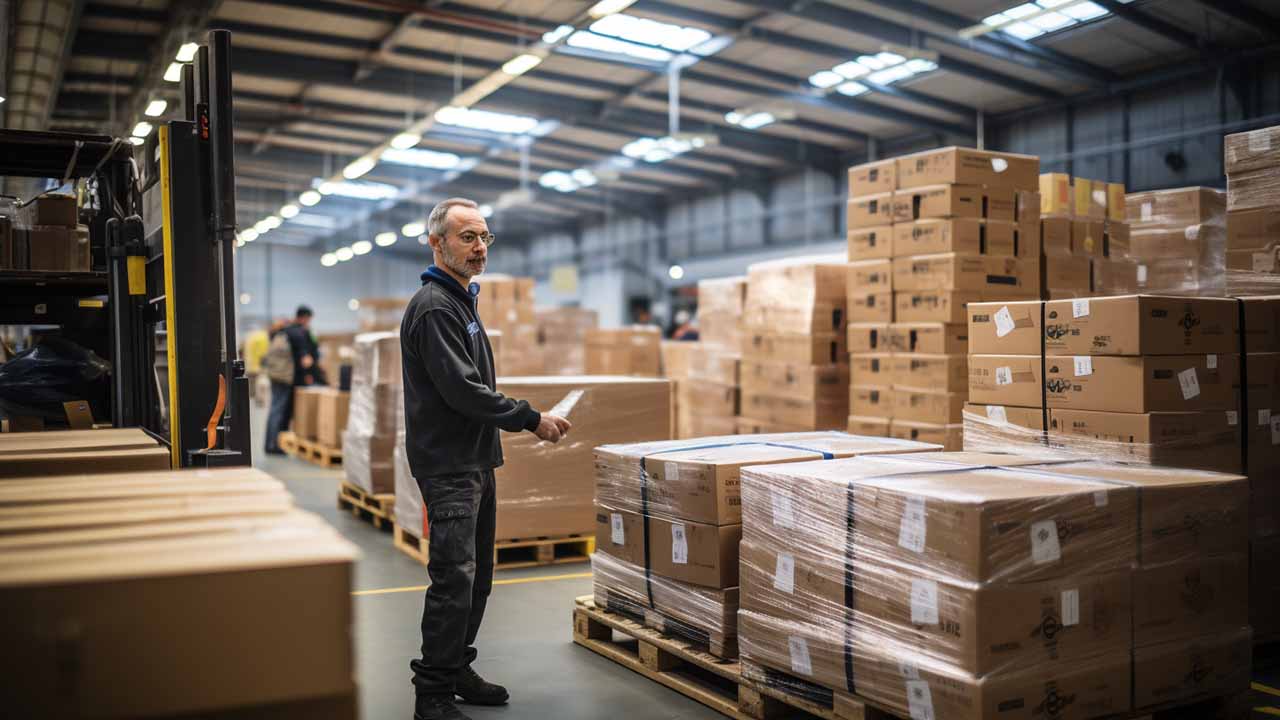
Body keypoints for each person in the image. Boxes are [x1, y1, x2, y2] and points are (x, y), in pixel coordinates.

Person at [400, 198, 572, 720]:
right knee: (454, 579)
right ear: (438, 243)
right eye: (467, 238)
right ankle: (431, 693)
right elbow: (462, 391)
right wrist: (530, 418)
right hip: (449, 466)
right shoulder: (434, 306)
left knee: (478, 578)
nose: (479, 249)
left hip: (474, 461)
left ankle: (456, 668)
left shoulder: (460, 301)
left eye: (484, 238)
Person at [262, 305, 322, 454]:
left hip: (276, 374)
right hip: (285, 376)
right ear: (305, 317)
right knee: (278, 410)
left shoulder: (284, 329)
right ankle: (272, 445)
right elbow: (306, 360)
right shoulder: (299, 332)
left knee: (276, 409)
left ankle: (273, 443)